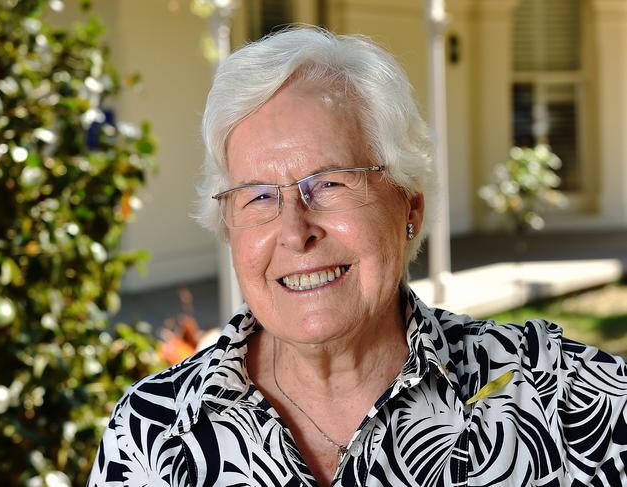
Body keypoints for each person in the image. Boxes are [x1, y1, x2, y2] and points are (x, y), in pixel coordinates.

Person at [87, 28, 627, 487]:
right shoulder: (152, 435)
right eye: (257, 195)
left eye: (329, 183)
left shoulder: (566, 400)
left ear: (408, 205)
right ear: (227, 226)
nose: (295, 232)